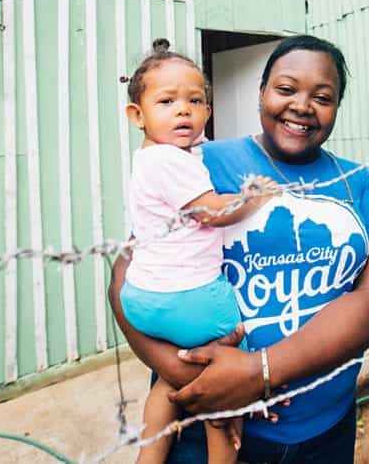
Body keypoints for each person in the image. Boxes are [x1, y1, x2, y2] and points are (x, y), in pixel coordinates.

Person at [110, 35, 369, 463]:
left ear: (337, 106)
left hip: (323, 430)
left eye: (323, 97)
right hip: (203, 421)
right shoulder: (198, 160)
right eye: (286, 89)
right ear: (262, 92)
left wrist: (258, 370)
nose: (302, 106)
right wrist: (186, 376)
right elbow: (128, 271)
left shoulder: (361, 183)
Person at [119, 38, 277, 464]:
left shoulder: (154, 158)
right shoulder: (169, 161)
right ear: (138, 115)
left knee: (167, 385)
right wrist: (255, 196)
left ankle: (149, 455)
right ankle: (226, 437)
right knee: (230, 370)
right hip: (190, 300)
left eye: (194, 100)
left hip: (144, 296)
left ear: (207, 110)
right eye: (167, 101)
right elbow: (212, 212)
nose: (183, 110)